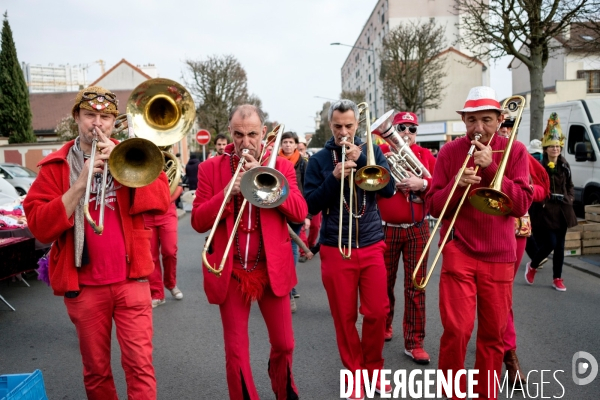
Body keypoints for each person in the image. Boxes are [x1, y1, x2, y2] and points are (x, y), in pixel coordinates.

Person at [23, 86, 171, 399]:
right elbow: (39, 227)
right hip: (84, 286)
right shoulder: (56, 166)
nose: (97, 123)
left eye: (105, 117)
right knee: (96, 372)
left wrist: (126, 169)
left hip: (133, 281)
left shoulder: (135, 153)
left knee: (141, 367)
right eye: (90, 114)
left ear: (113, 121)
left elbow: (161, 200)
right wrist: (80, 183)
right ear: (76, 117)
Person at [191, 104, 307, 400]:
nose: (246, 141)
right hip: (229, 271)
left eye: (253, 134)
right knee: (236, 351)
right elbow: (198, 220)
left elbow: (299, 212)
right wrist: (227, 192)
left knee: (285, 344)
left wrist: (266, 180)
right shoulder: (209, 168)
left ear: (263, 133)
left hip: (271, 269)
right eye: (239, 134)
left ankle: (282, 385)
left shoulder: (281, 167)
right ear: (230, 133)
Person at [426, 86, 532, 399]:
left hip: (500, 254)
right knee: (457, 331)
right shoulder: (449, 152)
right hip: (459, 249)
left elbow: (522, 204)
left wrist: (491, 168)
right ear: (464, 121)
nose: (478, 128)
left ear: (500, 120)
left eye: (486, 119)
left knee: (493, 336)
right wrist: (456, 186)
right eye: (471, 120)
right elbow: (433, 207)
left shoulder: (516, 150)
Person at [304, 99, 396, 399]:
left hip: (370, 243)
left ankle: (374, 369)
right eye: (338, 127)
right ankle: (354, 374)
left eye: (349, 127)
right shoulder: (319, 161)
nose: (344, 133)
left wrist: (367, 160)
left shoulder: (372, 150)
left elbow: (389, 190)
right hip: (335, 247)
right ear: (330, 126)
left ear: (357, 126)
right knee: (344, 318)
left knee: (378, 312)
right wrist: (333, 179)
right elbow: (309, 204)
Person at [377, 111, 436, 365]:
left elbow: (438, 190)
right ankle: (385, 325)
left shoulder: (426, 157)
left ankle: (414, 342)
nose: (406, 134)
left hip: (417, 227)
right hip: (385, 227)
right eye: (401, 128)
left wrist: (421, 184)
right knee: (383, 284)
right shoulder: (380, 152)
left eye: (412, 129)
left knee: (416, 285)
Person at [525, 112, 577, 291]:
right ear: (545, 148)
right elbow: (535, 185)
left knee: (561, 247)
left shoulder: (565, 165)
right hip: (545, 211)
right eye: (552, 146)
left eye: (557, 146)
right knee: (551, 243)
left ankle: (557, 278)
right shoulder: (540, 166)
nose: (555, 149)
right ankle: (532, 265)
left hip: (563, 211)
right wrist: (545, 199)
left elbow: (570, 186)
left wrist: (569, 199)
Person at [279, 131, 308, 311]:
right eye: (285, 142)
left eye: (291, 142)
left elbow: (306, 188)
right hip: (279, 211)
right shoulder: (274, 161)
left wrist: (307, 215)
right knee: (282, 248)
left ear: (296, 144)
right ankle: (286, 283)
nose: (288, 145)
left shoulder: (303, 164)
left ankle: (290, 284)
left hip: (296, 212)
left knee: (292, 248)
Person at [144, 178, 184, 308]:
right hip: (146, 213)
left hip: (166, 211)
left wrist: (167, 200)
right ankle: (157, 294)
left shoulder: (166, 161)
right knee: (151, 256)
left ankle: (171, 283)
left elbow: (179, 185)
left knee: (170, 251)